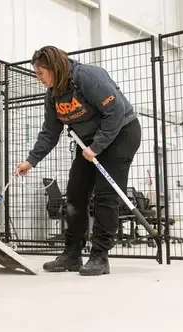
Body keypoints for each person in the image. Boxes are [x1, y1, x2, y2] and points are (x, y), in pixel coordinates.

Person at [15, 45, 141, 276]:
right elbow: (50, 132)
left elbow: (116, 110)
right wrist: (30, 161)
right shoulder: (53, 95)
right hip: (89, 143)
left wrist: (98, 145)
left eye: (40, 73)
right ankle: (72, 254)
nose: (38, 78)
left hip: (122, 133)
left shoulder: (87, 76)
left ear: (54, 67)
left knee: (105, 195)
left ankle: (100, 256)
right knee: (75, 193)